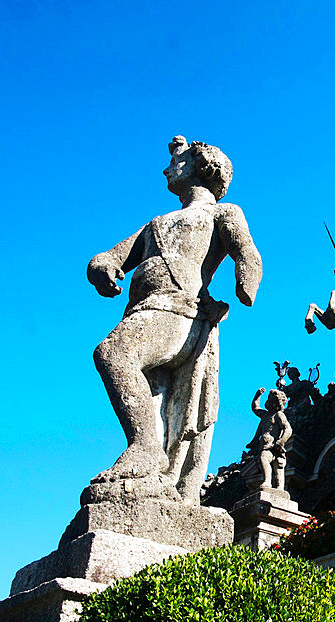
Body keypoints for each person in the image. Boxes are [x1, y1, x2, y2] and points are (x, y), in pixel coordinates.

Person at [87, 136, 262, 503]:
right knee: (152, 400)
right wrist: (101, 267)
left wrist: (246, 278)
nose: (167, 167)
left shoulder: (221, 212)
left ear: (201, 166)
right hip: (144, 308)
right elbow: (113, 255)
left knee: (114, 354)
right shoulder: (157, 223)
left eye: (177, 160)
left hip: (180, 309)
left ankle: (145, 449)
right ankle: (152, 468)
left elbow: (247, 250)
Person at [245, 388, 291, 491]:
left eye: (271, 400)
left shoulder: (279, 415)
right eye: (268, 399)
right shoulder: (265, 415)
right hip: (264, 444)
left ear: (276, 403)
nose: (268, 401)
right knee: (265, 460)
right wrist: (258, 395)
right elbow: (255, 407)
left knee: (276, 465)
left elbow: (288, 429)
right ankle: (268, 481)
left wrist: (281, 441)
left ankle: (275, 485)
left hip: (273, 444)